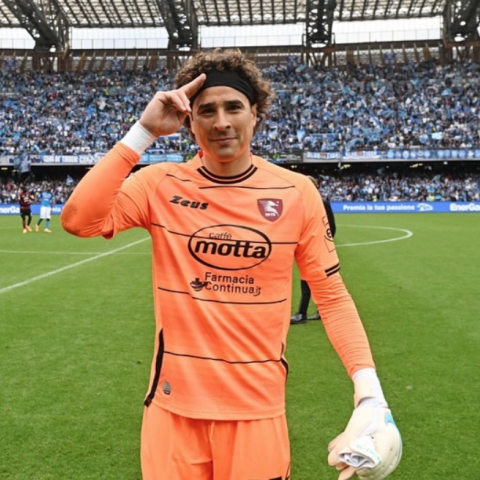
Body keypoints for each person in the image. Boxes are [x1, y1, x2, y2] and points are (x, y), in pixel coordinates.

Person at [61, 49, 402, 480]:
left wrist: (369, 391)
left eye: (233, 107)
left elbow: (331, 297)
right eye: (206, 110)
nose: (221, 121)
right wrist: (143, 132)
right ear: (189, 122)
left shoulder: (296, 192)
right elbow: (78, 220)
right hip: (173, 411)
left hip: (256, 413)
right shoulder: (159, 184)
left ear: (255, 114)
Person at [291, 176, 336, 324]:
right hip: (307, 247)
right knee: (312, 280)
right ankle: (317, 312)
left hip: (316, 248)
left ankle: (302, 314)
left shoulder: (321, 203)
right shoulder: (305, 202)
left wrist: (322, 243)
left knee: (311, 280)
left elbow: (330, 226)